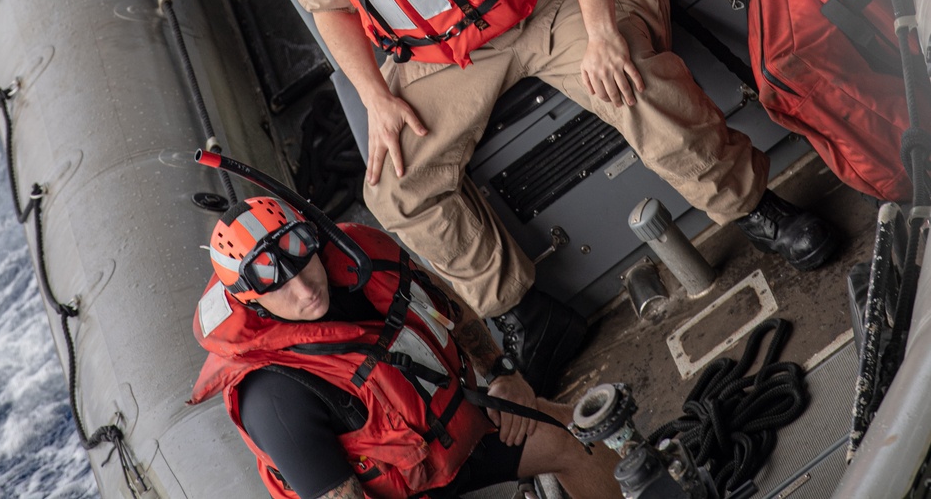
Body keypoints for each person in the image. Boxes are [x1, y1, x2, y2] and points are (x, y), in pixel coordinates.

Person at [262, 0, 841, 396]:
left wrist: (602, 34)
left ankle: (753, 209)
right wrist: (375, 96)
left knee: (631, 82)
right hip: (456, 48)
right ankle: (529, 318)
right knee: (395, 189)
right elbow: (328, 9)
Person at [190, 192, 621, 499]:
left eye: (305, 263)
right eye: (281, 288)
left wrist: (503, 374)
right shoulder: (273, 397)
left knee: (577, 437)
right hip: (407, 489)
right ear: (252, 301)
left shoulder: (363, 256)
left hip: (457, 432)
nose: (305, 291)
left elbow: (445, 306)